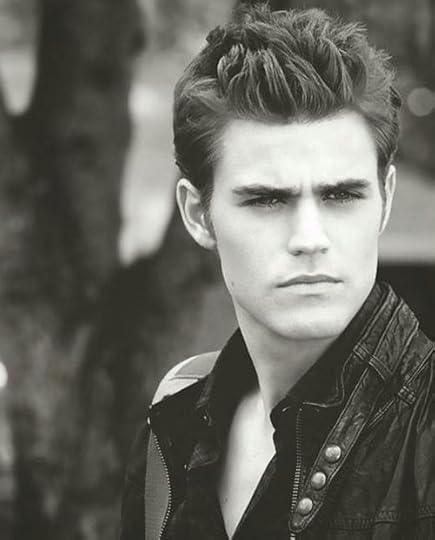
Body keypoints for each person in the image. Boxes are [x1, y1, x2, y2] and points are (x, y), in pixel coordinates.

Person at [120, 5, 435, 539]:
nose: (309, 237)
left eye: (341, 195)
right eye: (266, 200)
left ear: (384, 201)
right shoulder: (173, 428)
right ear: (198, 215)